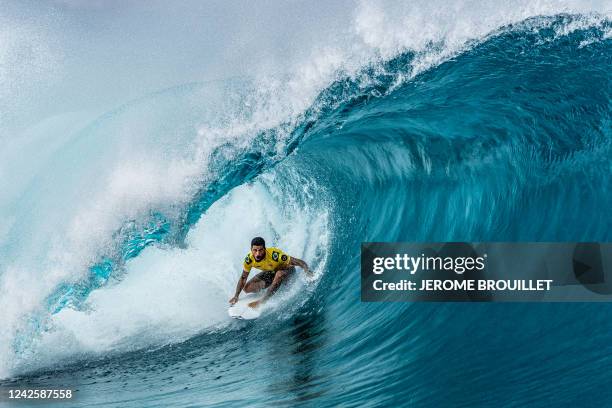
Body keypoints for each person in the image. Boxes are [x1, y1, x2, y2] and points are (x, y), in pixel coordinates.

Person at [229, 236, 311, 308]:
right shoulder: (249, 259)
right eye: (255, 250)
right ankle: (272, 287)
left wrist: (308, 272)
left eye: (260, 250)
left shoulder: (275, 255)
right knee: (247, 288)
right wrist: (236, 296)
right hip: (271, 272)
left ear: (264, 249)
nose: (257, 254)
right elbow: (243, 278)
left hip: (287, 271)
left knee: (279, 274)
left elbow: (299, 262)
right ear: (251, 249)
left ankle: (263, 300)